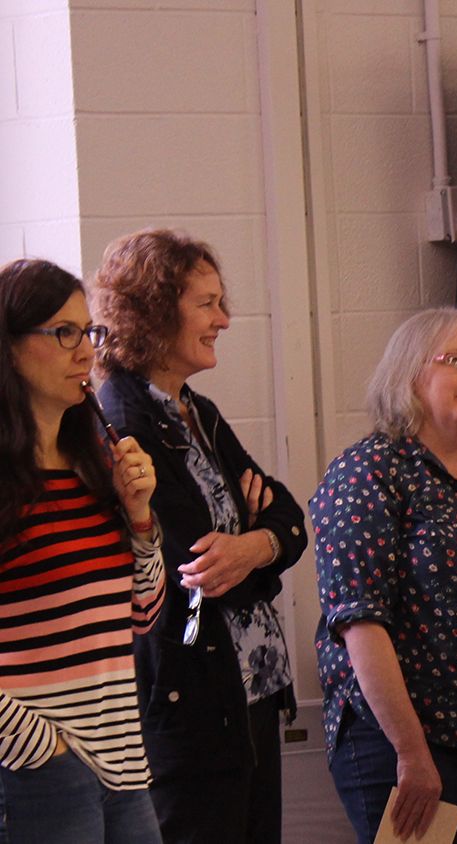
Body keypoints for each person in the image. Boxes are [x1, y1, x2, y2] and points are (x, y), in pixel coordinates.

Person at [89, 230, 306, 844]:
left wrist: (254, 547)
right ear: (156, 312)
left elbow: (289, 515)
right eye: (207, 304)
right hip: (193, 711)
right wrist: (252, 545)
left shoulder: (196, 411)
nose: (225, 320)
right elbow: (194, 572)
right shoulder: (124, 420)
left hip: (249, 695)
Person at [312, 307, 457, 844]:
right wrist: (412, 753)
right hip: (400, 744)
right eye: (455, 360)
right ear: (409, 376)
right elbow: (360, 622)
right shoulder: (369, 471)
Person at [0, 258, 165, 843]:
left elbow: (142, 613)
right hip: (40, 768)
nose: (86, 352)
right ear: (11, 347)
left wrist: (140, 518)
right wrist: (41, 745)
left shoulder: (94, 460)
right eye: (63, 333)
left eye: (88, 332)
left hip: (122, 758)